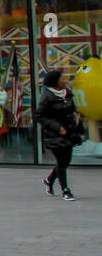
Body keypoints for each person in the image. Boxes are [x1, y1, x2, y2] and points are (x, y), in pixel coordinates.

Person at [36, 69, 84, 202]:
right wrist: (57, 127)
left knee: (66, 161)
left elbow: (73, 111)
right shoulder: (47, 97)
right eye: (61, 78)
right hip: (55, 135)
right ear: (55, 82)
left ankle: (49, 180)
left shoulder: (67, 94)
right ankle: (66, 190)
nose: (64, 80)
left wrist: (80, 129)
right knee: (62, 162)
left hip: (69, 133)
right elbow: (39, 116)